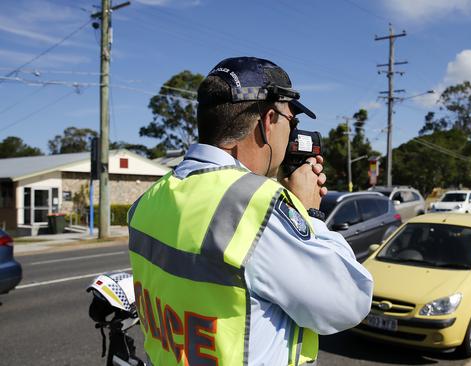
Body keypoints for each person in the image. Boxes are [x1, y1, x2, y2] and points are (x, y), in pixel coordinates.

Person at [127, 57, 373, 366]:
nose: (293, 134)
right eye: (291, 122)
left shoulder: (150, 199)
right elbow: (350, 301)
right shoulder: (258, 207)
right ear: (268, 121)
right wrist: (310, 215)